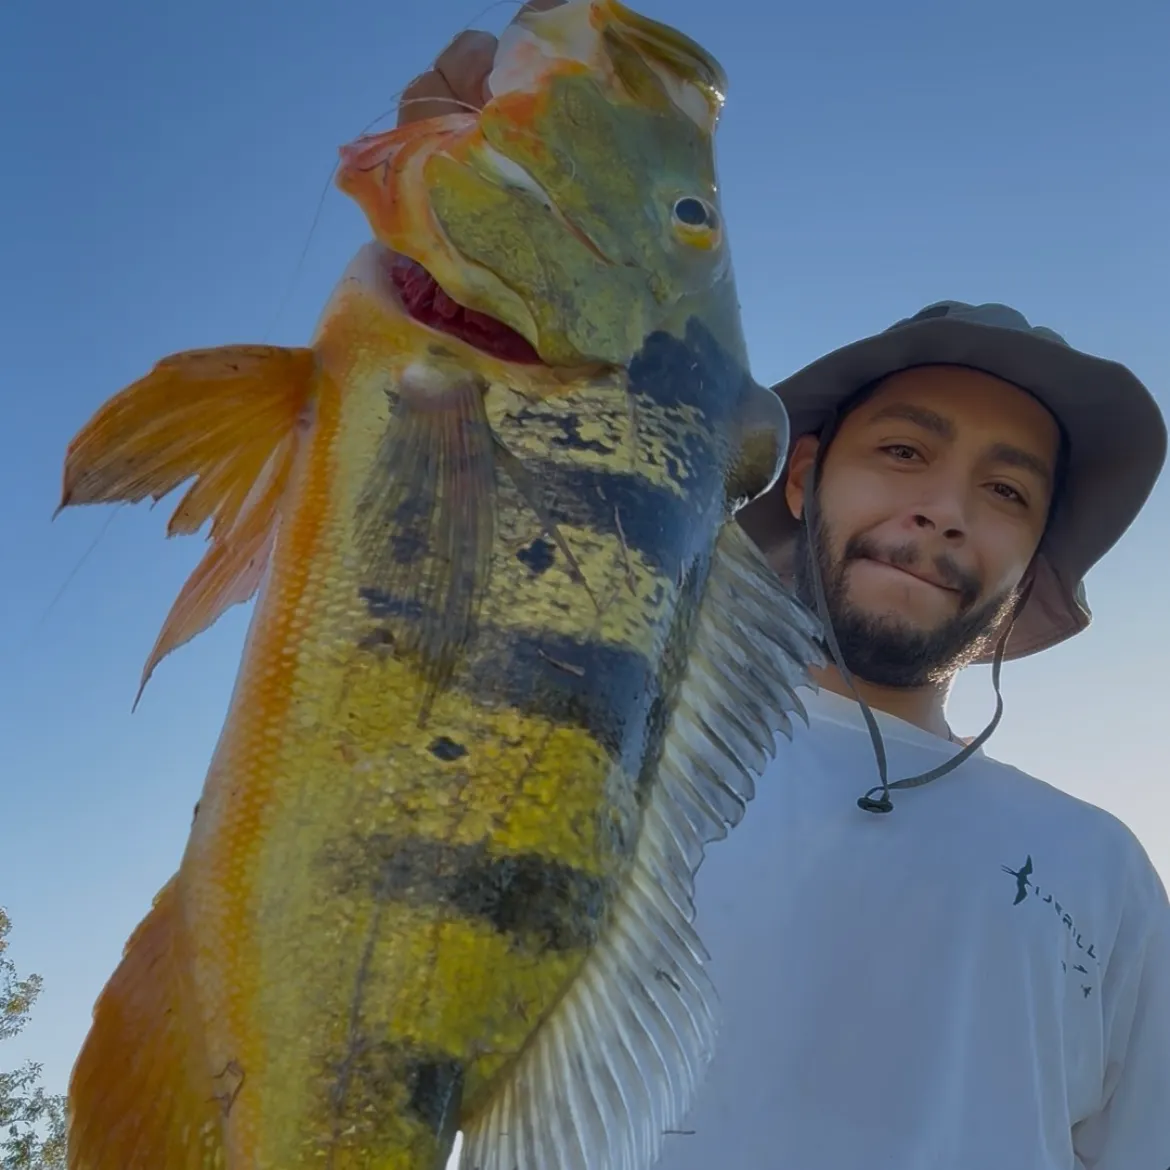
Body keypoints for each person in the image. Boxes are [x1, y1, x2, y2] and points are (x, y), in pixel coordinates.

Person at [400, 13, 1170, 1168]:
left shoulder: (1103, 869)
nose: (945, 509)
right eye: (903, 452)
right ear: (803, 478)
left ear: (1030, 564)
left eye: (1007, 491)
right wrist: (454, 276)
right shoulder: (597, 761)